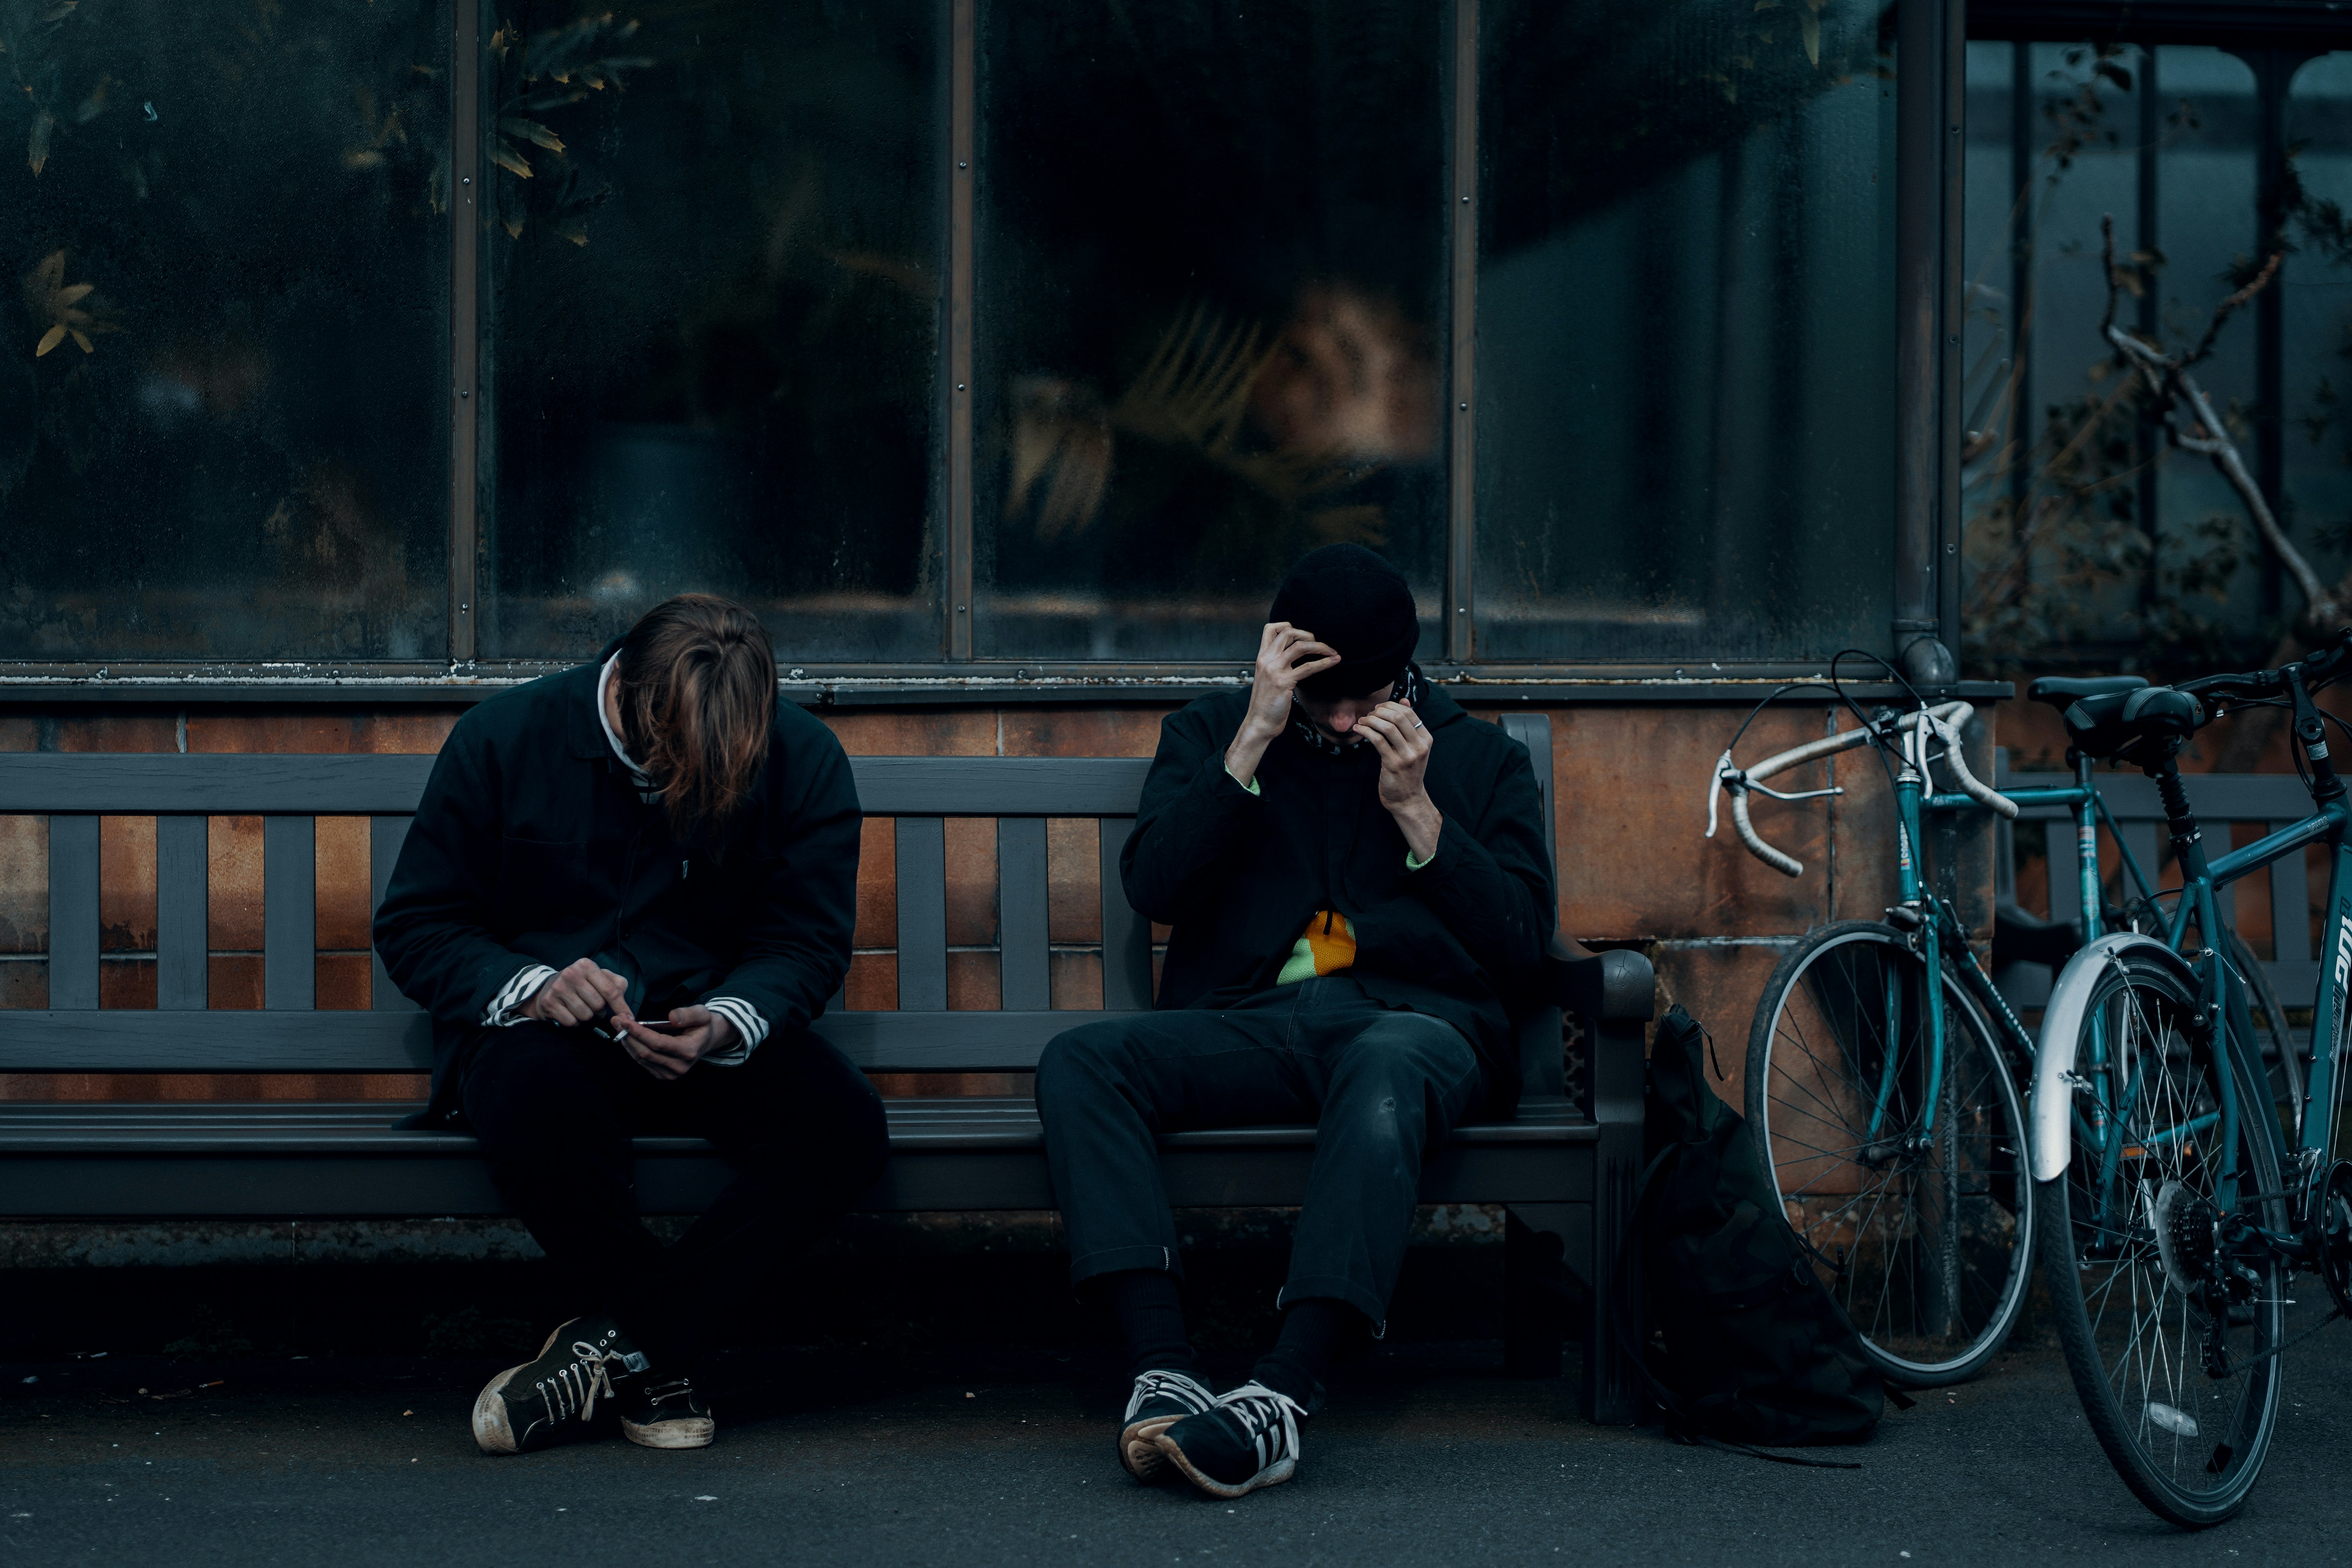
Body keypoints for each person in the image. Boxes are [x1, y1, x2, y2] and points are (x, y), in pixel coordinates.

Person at [1035, 543, 1555, 1498]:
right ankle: (1164, 1366)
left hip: (1412, 1027)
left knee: (1389, 1060)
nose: (1349, 719)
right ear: (1282, 665)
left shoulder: (1476, 758)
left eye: (1369, 695)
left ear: (1404, 674)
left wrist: (1418, 812)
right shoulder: (1213, 734)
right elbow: (1155, 885)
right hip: (1249, 1022)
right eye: (1326, 698)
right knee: (1080, 1061)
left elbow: (1524, 945)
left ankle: (1285, 1390)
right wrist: (1251, 742)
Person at [374, 593, 883, 1456]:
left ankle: (618, 1348)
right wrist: (533, 984)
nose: (691, 781)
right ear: (632, 697)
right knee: (531, 1094)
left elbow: (804, 941)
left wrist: (728, 1021)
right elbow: (417, 926)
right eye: (679, 760)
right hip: (545, 1043)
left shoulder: (803, 756)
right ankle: (660, 1362)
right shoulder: (505, 737)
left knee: (843, 1131)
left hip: (700, 1038)